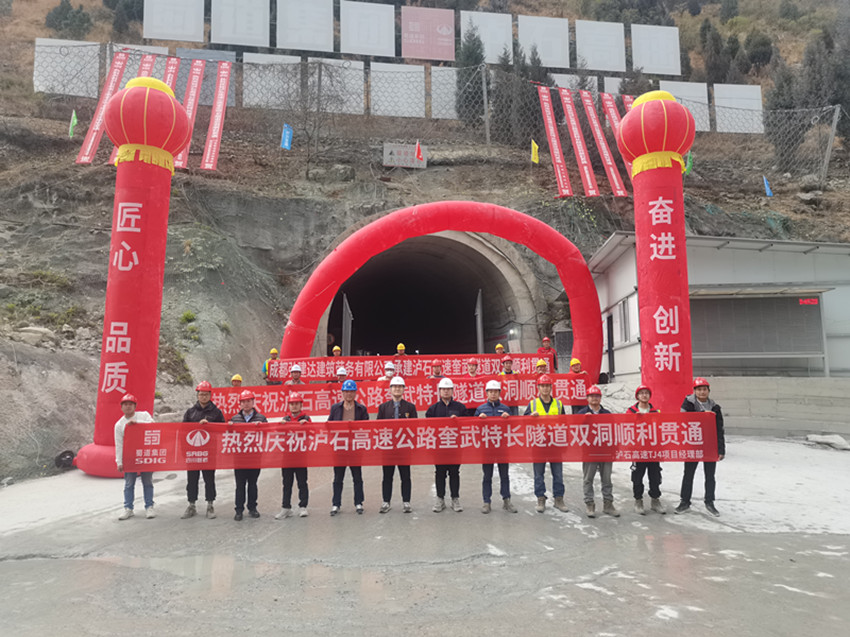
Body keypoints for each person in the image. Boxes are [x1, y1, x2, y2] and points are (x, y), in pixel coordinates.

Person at [676, 378, 726, 517]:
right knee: (688, 474)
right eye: (699, 389)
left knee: (710, 475)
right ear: (694, 391)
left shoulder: (715, 407)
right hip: (692, 445)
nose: (702, 392)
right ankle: (684, 502)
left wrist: (721, 450)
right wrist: (702, 416)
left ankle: (710, 502)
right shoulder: (688, 404)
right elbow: (683, 421)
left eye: (704, 389)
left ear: (708, 391)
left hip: (710, 446)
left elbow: (719, 430)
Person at [180, 381, 225, 520]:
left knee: (209, 479)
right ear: (197, 395)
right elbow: (183, 432)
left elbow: (222, 430)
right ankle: (191, 505)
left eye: (206, 394)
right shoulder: (190, 412)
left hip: (209, 453)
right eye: (201, 394)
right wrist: (184, 452)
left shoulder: (216, 412)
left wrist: (210, 425)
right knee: (192, 480)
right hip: (193, 453)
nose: (203, 397)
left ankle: (210, 505)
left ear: (210, 395)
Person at [525, 375, 568, 513]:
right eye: (542, 386)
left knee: (558, 474)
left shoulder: (559, 404)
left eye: (547, 386)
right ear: (538, 388)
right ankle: (540, 498)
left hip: (555, 444)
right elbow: (523, 422)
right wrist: (530, 417)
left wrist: (565, 443)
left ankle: (559, 499)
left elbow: (565, 423)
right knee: (539, 474)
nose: (545, 388)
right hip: (539, 444)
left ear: (551, 387)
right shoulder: (533, 404)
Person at [576, 385, 619, 518]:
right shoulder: (581, 413)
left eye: (597, 396)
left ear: (600, 398)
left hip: (605, 451)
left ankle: (608, 504)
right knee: (588, 479)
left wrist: (615, 449)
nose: (594, 398)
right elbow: (575, 431)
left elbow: (613, 432)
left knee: (607, 479)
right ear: (587, 398)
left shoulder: (607, 414)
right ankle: (590, 503)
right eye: (592, 396)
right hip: (590, 452)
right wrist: (584, 420)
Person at [377, 376, 418, 513]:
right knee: (387, 476)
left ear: (404, 389)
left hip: (404, 448)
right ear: (390, 389)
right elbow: (377, 427)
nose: (397, 389)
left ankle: (406, 502)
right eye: (394, 386)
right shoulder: (383, 408)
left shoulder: (410, 407)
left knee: (405, 476)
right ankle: (386, 502)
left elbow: (415, 427)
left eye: (400, 387)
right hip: (388, 448)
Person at [425, 378, 466, 512]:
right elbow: (428, 428)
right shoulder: (433, 409)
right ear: (439, 391)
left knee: (454, 473)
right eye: (443, 389)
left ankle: (455, 499)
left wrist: (458, 421)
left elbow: (468, 426)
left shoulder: (460, 408)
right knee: (440, 473)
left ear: (452, 391)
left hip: (455, 447)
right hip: (439, 448)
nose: (446, 391)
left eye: (448, 389)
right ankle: (440, 499)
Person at [328, 379, 369, 515]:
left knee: (357, 477)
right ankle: (336, 504)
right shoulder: (335, 408)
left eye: (351, 391)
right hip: (340, 448)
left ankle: (358, 502)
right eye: (346, 391)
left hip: (355, 448)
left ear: (355, 393)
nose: (349, 394)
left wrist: (355, 426)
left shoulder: (361, 409)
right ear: (342, 393)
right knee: (338, 478)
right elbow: (329, 425)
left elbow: (367, 427)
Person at [476, 380, 517, 514]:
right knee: (487, 476)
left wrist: (509, 419)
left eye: (495, 392)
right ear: (486, 393)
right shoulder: (481, 409)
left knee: (504, 475)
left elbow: (513, 428)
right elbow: (473, 429)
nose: (493, 394)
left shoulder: (505, 409)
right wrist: (479, 420)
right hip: (487, 448)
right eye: (490, 391)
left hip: (502, 448)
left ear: (499, 393)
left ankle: (506, 500)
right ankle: (486, 502)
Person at [115, 393, 156, 520]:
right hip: (130, 457)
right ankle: (128, 508)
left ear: (135, 406)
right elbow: (119, 444)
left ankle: (149, 506)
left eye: (130, 404)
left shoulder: (143, 415)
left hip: (145, 454)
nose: (128, 406)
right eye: (125, 404)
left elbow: (153, 425)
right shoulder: (119, 424)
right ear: (121, 407)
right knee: (129, 484)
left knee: (147, 482)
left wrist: (137, 423)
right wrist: (119, 461)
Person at [230, 390, 267, 521]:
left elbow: (267, 435)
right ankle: (239, 510)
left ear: (253, 402)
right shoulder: (234, 419)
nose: (246, 404)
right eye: (243, 401)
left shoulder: (261, 418)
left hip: (254, 457)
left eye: (248, 401)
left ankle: (252, 508)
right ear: (240, 404)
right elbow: (228, 437)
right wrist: (229, 428)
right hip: (239, 458)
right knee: (240, 485)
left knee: (252, 484)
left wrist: (261, 428)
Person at [628, 385, 666, 515]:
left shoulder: (655, 412)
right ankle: (638, 501)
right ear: (637, 396)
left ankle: (655, 500)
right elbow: (625, 428)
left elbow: (661, 430)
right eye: (641, 393)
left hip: (653, 451)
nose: (644, 395)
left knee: (655, 476)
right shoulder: (631, 412)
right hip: (638, 451)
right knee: (637, 477)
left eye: (646, 393)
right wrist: (635, 419)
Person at [276, 392, 311, 519]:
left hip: (301, 456)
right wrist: (280, 427)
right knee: (287, 483)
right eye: (292, 404)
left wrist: (307, 426)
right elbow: (279, 437)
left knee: (302, 482)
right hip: (287, 457)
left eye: (296, 403)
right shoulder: (285, 419)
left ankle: (303, 506)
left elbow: (312, 434)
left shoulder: (306, 419)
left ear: (301, 405)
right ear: (289, 406)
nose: (294, 406)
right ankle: (286, 507)